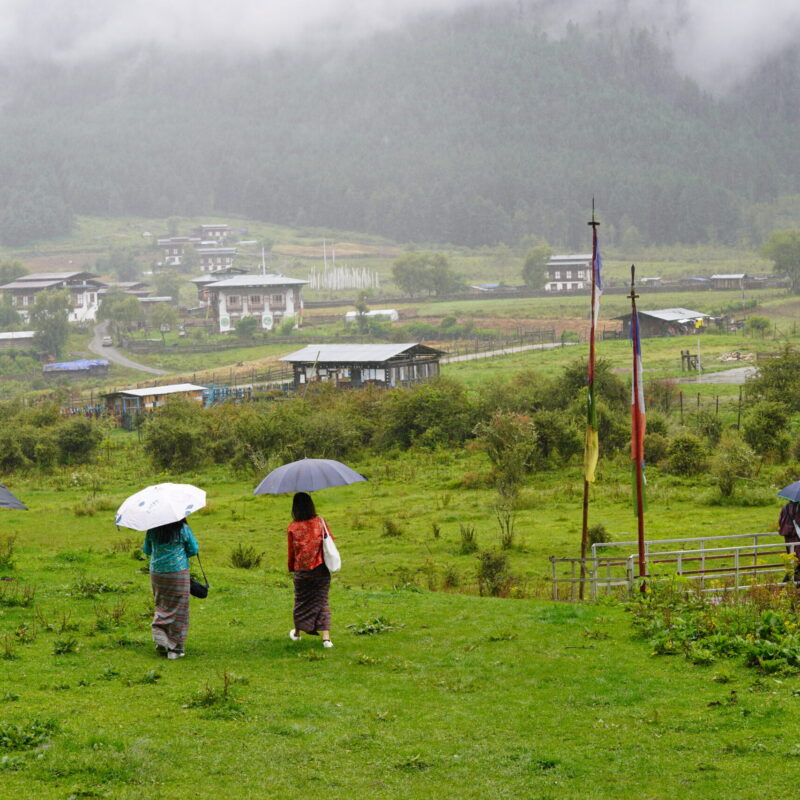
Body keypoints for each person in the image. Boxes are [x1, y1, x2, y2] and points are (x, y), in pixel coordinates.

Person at [142, 517, 199, 659]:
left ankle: (161, 641)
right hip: (177, 571)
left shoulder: (152, 530)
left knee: (161, 604)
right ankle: (176, 649)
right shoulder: (182, 529)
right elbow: (193, 549)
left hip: (157, 572)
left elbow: (147, 550)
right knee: (179, 608)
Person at [287, 492, 333, 648]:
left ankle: (298, 633)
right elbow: (330, 542)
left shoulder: (292, 527)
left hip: (302, 571)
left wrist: (292, 568)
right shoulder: (320, 523)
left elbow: (291, 552)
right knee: (322, 600)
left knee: (301, 602)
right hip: (321, 569)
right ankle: (326, 639)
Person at [778, 500, 800, 583]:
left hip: (788, 537)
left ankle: (790, 586)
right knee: (797, 563)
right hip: (796, 537)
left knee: (793, 560)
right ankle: (785, 585)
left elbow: (780, 522)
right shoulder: (798, 507)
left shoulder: (785, 507)